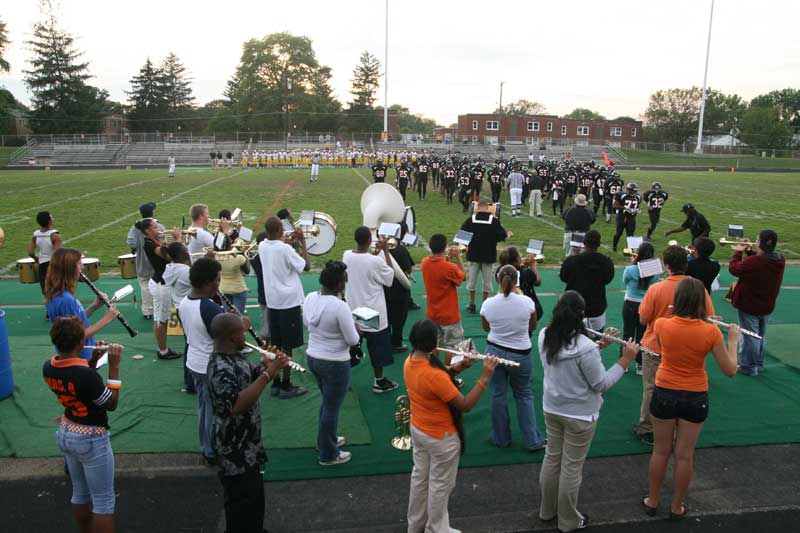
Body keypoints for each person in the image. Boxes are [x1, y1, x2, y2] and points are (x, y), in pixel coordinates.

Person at [538, 291, 639, 533]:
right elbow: (601, 384)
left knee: (552, 458)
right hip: (580, 416)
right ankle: (568, 521)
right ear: (581, 316)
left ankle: (547, 511)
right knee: (571, 467)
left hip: (552, 408)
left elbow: (570, 358)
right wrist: (625, 360)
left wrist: (596, 347)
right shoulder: (584, 348)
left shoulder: (545, 335)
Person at [644, 278, 739, 520]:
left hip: (665, 391)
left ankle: (652, 501)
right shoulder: (711, 332)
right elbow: (730, 370)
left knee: (660, 450)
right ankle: (677, 507)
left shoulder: (662, 324)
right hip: (695, 395)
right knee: (684, 454)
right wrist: (732, 340)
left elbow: (666, 349)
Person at [405, 319, 498, 533]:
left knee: (420, 478)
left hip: (419, 430)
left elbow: (441, 378)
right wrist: (484, 378)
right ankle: (437, 529)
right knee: (440, 485)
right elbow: (464, 405)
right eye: (437, 339)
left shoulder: (411, 360)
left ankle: (416, 525)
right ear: (432, 344)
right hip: (440, 437)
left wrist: (462, 364)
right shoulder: (433, 374)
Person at [206, 313, 290, 533]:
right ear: (234, 337)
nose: (246, 335)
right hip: (235, 449)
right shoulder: (219, 367)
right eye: (242, 332)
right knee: (240, 503)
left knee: (254, 497)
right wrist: (269, 375)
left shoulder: (234, 357)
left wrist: (265, 364)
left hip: (248, 445)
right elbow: (236, 405)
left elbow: (247, 376)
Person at [43, 317, 123, 533]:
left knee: (80, 491)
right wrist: (113, 367)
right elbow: (111, 403)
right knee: (104, 501)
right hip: (90, 439)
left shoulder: (48, 367)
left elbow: (77, 384)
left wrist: (94, 362)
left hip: (66, 431)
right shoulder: (85, 376)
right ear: (80, 343)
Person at [633, 245, 715, 445]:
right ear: (685, 264)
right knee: (684, 387)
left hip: (655, 345)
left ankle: (647, 428)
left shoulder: (657, 288)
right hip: (688, 346)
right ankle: (679, 428)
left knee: (651, 388)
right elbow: (709, 316)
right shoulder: (697, 288)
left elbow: (643, 319)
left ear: (666, 265)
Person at [481, 265, 546, 451]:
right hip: (520, 353)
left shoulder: (488, 304)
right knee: (524, 394)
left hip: (494, 351)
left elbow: (486, 328)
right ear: (516, 280)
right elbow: (532, 326)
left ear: (497, 280)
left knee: (497, 394)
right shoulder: (527, 302)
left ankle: (500, 438)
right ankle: (532, 440)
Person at [303, 261, 361, 465]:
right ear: (338, 284)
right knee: (332, 407)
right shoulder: (340, 306)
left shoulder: (310, 297)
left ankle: (325, 440)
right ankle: (328, 454)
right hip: (335, 362)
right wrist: (357, 329)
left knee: (327, 403)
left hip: (313, 357)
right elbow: (353, 340)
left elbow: (307, 323)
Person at [258, 216, 310, 399]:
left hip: (273, 302)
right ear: (280, 230)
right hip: (288, 303)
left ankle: (276, 382)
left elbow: (278, 251)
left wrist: (287, 243)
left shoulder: (262, 246)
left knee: (275, 343)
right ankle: (286, 385)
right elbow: (306, 266)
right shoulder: (285, 249)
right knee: (287, 347)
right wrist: (302, 242)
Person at [180, 257, 226, 464]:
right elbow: (227, 341)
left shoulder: (184, 301)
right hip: (209, 365)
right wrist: (239, 325)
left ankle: (207, 446)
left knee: (204, 407)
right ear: (208, 283)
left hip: (195, 362)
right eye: (217, 279)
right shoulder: (210, 308)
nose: (219, 283)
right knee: (213, 410)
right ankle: (210, 450)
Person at [343, 227, 398, 393]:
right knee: (378, 349)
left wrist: (376, 252)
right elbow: (390, 276)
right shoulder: (376, 262)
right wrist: (386, 252)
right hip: (373, 312)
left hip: (353, 310)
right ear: (369, 241)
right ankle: (379, 381)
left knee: (350, 348)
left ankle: (342, 379)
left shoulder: (346, 255)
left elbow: (365, 264)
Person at [45, 248, 119, 361]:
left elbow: (75, 322)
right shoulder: (65, 299)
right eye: (79, 264)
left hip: (79, 355)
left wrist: (94, 306)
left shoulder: (62, 294)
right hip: (78, 357)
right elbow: (74, 337)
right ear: (69, 269)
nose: (82, 267)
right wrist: (106, 319)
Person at [728, 229, 785, 376]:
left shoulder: (754, 262)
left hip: (749, 304)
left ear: (759, 242)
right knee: (760, 335)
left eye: (757, 239)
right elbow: (759, 262)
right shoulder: (780, 259)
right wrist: (750, 251)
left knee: (750, 337)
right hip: (767, 304)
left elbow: (734, 269)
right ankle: (758, 364)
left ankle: (748, 367)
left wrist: (738, 252)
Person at [136, 218, 180, 359]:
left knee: (162, 318)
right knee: (161, 319)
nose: (159, 229)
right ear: (148, 231)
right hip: (161, 285)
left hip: (162, 283)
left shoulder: (155, 241)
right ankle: (163, 351)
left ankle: (163, 348)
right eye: (155, 227)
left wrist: (168, 243)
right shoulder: (149, 244)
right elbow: (170, 256)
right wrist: (177, 239)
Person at [421, 234, 466, 363]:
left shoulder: (425, 262)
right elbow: (462, 276)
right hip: (449, 315)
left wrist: (446, 258)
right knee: (453, 346)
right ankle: (449, 374)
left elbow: (437, 265)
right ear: (444, 247)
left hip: (432, 313)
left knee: (435, 344)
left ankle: (435, 369)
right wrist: (458, 257)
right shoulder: (449, 268)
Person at [461, 199, 510, 313]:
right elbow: (502, 236)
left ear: (477, 208)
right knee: (487, 281)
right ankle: (484, 304)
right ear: (487, 208)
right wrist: (507, 234)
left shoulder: (470, 220)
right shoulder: (494, 221)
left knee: (472, 280)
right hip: (488, 254)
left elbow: (462, 236)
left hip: (473, 254)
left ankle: (472, 303)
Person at [559, 230, 615, 331]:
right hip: (596, 308)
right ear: (599, 244)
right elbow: (608, 279)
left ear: (584, 242)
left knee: (570, 342)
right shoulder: (606, 261)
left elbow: (563, 277)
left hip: (573, 309)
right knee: (596, 344)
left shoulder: (571, 261)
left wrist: (574, 256)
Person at [621, 241, 657, 375]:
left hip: (630, 303)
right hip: (645, 304)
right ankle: (640, 365)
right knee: (642, 336)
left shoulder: (630, 269)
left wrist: (632, 264)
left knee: (627, 334)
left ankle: (624, 364)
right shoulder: (654, 270)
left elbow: (625, 281)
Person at [164, 241, 195, 393]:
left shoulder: (170, 267)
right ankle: (191, 381)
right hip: (188, 309)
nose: (188, 250)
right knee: (192, 344)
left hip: (180, 307)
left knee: (190, 342)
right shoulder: (185, 271)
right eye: (186, 249)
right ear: (183, 254)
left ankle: (189, 379)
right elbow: (201, 281)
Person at [127, 202, 164, 320]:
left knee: (145, 286)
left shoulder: (135, 227)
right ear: (152, 213)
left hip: (142, 260)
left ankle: (147, 311)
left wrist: (137, 246)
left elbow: (131, 242)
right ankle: (159, 309)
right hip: (156, 259)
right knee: (158, 285)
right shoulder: (159, 225)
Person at [386, 223, 415, 353]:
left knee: (387, 318)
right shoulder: (401, 249)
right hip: (399, 289)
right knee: (399, 319)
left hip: (384, 289)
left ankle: (386, 342)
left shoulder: (379, 249)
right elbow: (408, 268)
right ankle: (396, 343)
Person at [498, 246, 544, 321]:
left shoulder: (500, 271)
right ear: (517, 259)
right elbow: (538, 282)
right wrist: (532, 266)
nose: (522, 257)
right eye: (520, 256)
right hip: (525, 307)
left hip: (506, 306)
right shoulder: (527, 272)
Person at [28, 210, 62, 303]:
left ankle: (49, 310)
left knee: (46, 289)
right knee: (58, 289)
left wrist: (36, 258)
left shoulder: (35, 234)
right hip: (54, 265)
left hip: (42, 265)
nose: (53, 218)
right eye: (51, 217)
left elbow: (30, 252)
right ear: (49, 221)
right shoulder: (55, 236)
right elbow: (56, 254)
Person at [250, 232, 271, 346]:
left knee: (266, 323)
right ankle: (266, 350)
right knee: (266, 330)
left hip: (263, 294)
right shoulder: (262, 258)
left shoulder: (254, 257)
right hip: (269, 296)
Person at [612, 182, 642, 252]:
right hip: (622, 217)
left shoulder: (638, 197)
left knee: (630, 234)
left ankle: (631, 250)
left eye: (635, 191)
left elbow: (636, 206)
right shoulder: (621, 195)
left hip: (631, 218)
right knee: (618, 233)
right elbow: (615, 205)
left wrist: (637, 210)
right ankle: (614, 246)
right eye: (632, 190)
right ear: (628, 190)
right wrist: (625, 208)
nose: (634, 192)